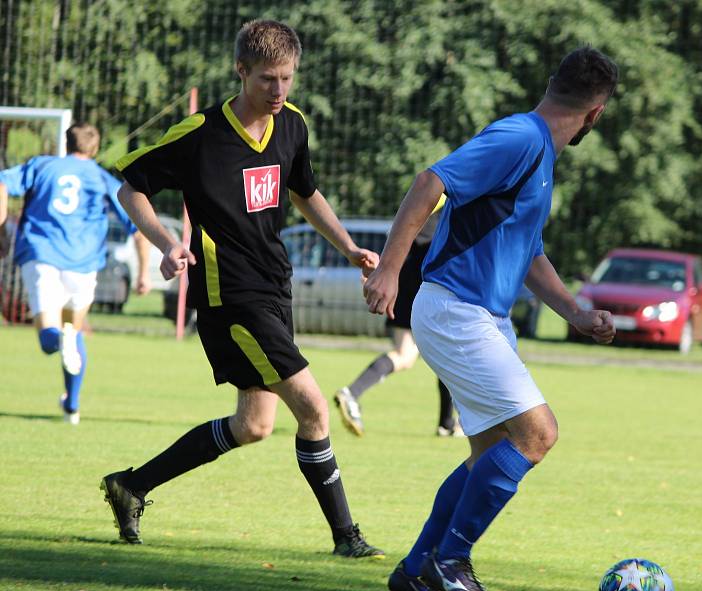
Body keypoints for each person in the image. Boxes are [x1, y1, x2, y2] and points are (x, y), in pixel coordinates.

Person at [100, 19, 384, 559]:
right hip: (228, 294)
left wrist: (348, 246)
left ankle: (132, 485)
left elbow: (306, 192)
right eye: (267, 80)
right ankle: (347, 537)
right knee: (314, 409)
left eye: (287, 79)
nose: (278, 91)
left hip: (276, 284)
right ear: (240, 71)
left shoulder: (292, 124)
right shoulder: (200, 134)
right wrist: (165, 242)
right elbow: (130, 187)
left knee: (253, 425)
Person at [364, 46, 619, 591]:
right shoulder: (521, 139)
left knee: (487, 456)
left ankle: (415, 571)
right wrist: (389, 268)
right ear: (595, 114)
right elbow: (429, 182)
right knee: (538, 433)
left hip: (479, 315)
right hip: (457, 309)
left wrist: (575, 312)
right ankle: (451, 562)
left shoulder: (537, 152)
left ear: (552, 81)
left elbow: (528, 253)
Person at [0, 123, 150, 425]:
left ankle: (64, 360)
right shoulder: (102, 178)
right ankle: (72, 405)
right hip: (84, 264)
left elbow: (2, 182)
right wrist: (143, 273)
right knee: (74, 330)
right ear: (94, 149)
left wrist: (2, 224)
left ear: (65, 143)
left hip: (42, 255)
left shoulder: (42, 165)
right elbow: (138, 228)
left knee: (49, 339)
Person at [334, 201, 464, 439]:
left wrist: (383, 272)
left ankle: (446, 423)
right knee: (442, 353)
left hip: (405, 283)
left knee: (409, 354)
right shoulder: (450, 201)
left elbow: (401, 235)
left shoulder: (427, 201)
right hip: (423, 285)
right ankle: (446, 423)